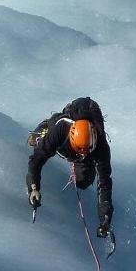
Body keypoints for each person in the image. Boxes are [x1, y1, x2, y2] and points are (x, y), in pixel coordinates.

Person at [26, 96, 114, 238]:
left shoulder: (101, 147)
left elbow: (104, 184)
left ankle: (81, 156)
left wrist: (105, 219)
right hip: (66, 122)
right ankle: (46, 126)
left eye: (86, 152)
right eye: (80, 152)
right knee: (34, 141)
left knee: (83, 181)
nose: (83, 155)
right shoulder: (61, 128)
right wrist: (33, 188)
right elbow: (36, 160)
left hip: (91, 121)